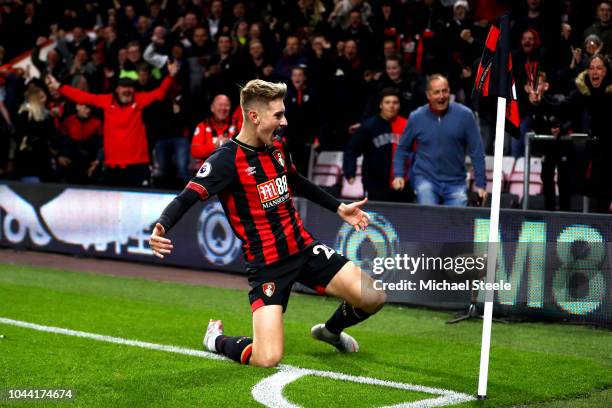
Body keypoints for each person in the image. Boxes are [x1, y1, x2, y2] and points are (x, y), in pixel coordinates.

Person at [150, 79, 385, 368]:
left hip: (304, 248)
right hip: (267, 264)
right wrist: (162, 224)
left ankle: (331, 331)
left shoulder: (277, 148)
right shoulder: (225, 160)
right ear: (254, 116)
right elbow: (187, 197)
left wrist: (339, 207)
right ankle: (215, 339)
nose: (284, 121)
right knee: (267, 358)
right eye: (278, 115)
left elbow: (296, 180)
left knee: (373, 296)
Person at [45, 60, 179, 187]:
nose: (127, 90)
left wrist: (171, 75)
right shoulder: (107, 101)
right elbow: (82, 97)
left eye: (130, 87)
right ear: (116, 89)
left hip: (138, 165)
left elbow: (160, 93)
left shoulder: (140, 100)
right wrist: (60, 87)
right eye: (123, 87)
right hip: (113, 167)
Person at [392, 74, 486, 206]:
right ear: (428, 95)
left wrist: (481, 184)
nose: (441, 96)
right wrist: (398, 175)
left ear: (449, 92)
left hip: (456, 182)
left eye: (444, 91)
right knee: (430, 220)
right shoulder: (416, 117)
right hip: (425, 180)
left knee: (456, 223)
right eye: (436, 92)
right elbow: (402, 149)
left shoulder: (465, 115)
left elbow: (477, 151)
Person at [343, 88, 413, 202]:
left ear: (399, 105)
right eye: (387, 102)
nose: (391, 106)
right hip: (375, 183)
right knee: (377, 218)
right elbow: (351, 150)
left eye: (395, 103)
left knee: (402, 217)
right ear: (381, 105)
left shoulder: (407, 125)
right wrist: (350, 172)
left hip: (402, 182)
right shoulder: (369, 126)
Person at [190, 94, 238, 168]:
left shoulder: (237, 124)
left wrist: (229, 145)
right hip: (208, 171)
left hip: (232, 169)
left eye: (226, 105)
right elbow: (195, 151)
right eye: (220, 105)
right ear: (212, 108)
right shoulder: (203, 125)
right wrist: (214, 146)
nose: (223, 108)